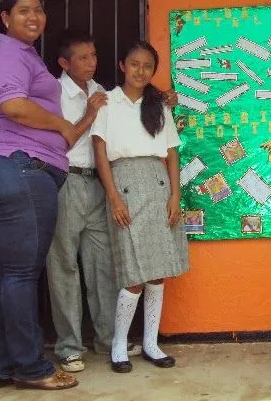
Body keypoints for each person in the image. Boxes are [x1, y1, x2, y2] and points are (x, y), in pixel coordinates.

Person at [0, 0, 82, 390]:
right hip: (18, 167)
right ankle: (30, 366)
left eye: (38, 9)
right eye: (22, 11)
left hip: (10, 168)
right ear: (4, 18)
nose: (33, 16)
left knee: (2, 273)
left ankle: (4, 365)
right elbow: (14, 105)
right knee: (19, 274)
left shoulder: (22, 55)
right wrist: (62, 126)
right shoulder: (5, 54)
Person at [45, 29, 148, 373]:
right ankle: (70, 347)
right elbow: (53, 142)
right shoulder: (52, 92)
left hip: (98, 185)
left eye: (94, 56)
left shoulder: (101, 91)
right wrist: (88, 114)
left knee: (103, 265)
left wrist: (164, 100)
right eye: (83, 57)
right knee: (64, 266)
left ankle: (107, 339)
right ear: (64, 62)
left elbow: (133, 107)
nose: (92, 63)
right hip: (66, 181)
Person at [91, 41, 189, 373]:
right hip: (125, 188)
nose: (141, 71)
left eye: (148, 66)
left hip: (158, 186)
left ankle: (150, 344)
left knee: (158, 273)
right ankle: (119, 345)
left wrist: (175, 196)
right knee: (133, 274)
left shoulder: (158, 105)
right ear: (122, 65)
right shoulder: (107, 102)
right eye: (134, 64)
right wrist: (114, 198)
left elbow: (172, 152)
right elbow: (100, 153)